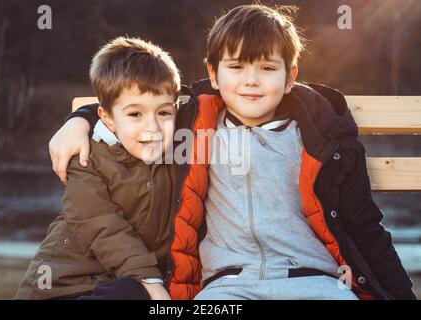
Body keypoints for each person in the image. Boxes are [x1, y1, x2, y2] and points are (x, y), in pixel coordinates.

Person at [48, 4, 416, 300]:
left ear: (290, 77)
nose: (251, 80)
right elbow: (133, 104)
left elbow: (364, 226)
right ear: (213, 73)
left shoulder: (324, 139)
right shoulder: (189, 124)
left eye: (267, 68)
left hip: (314, 279)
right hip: (227, 285)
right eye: (237, 67)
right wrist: (79, 119)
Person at [16, 36, 180, 300]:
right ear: (107, 118)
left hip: (120, 285)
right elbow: (103, 226)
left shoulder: (177, 151)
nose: (153, 127)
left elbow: (223, 90)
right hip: (64, 288)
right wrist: (148, 279)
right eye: (135, 114)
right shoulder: (85, 159)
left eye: (163, 113)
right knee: (130, 293)